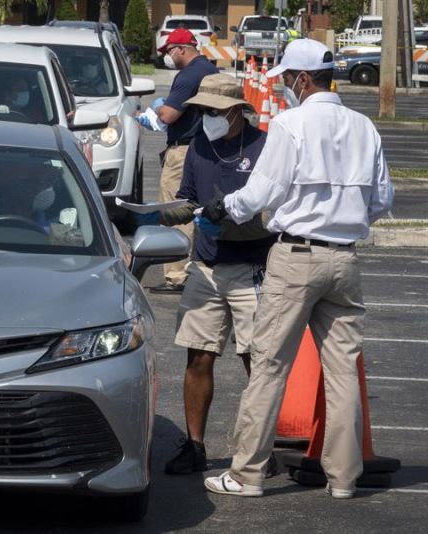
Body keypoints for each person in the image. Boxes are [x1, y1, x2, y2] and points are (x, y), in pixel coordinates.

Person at [201, 38, 394, 499]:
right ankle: (344, 478)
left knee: (269, 364)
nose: (285, 86)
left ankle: (247, 473)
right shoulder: (365, 127)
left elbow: (261, 192)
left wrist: (224, 207)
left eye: (287, 78)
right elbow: (382, 199)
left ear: (303, 79)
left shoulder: (291, 123)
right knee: (343, 371)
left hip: (297, 257)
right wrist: (346, 221)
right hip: (344, 257)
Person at [157, 74, 278, 476]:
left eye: (212, 111)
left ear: (233, 112)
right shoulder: (198, 147)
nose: (206, 117)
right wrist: (153, 214)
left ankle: (262, 448)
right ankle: (194, 445)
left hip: (252, 268)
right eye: (202, 110)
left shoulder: (264, 148)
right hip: (205, 268)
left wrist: (226, 224)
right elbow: (189, 200)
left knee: (255, 360)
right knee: (198, 356)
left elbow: (272, 216)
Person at [150, 28, 218, 293]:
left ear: (181, 49)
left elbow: (168, 115)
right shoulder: (211, 71)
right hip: (207, 149)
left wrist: (157, 106)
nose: (167, 56)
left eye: (168, 51)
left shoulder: (188, 75)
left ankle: (177, 275)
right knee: (200, 209)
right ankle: (199, 267)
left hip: (183, 151)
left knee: (174, 209)